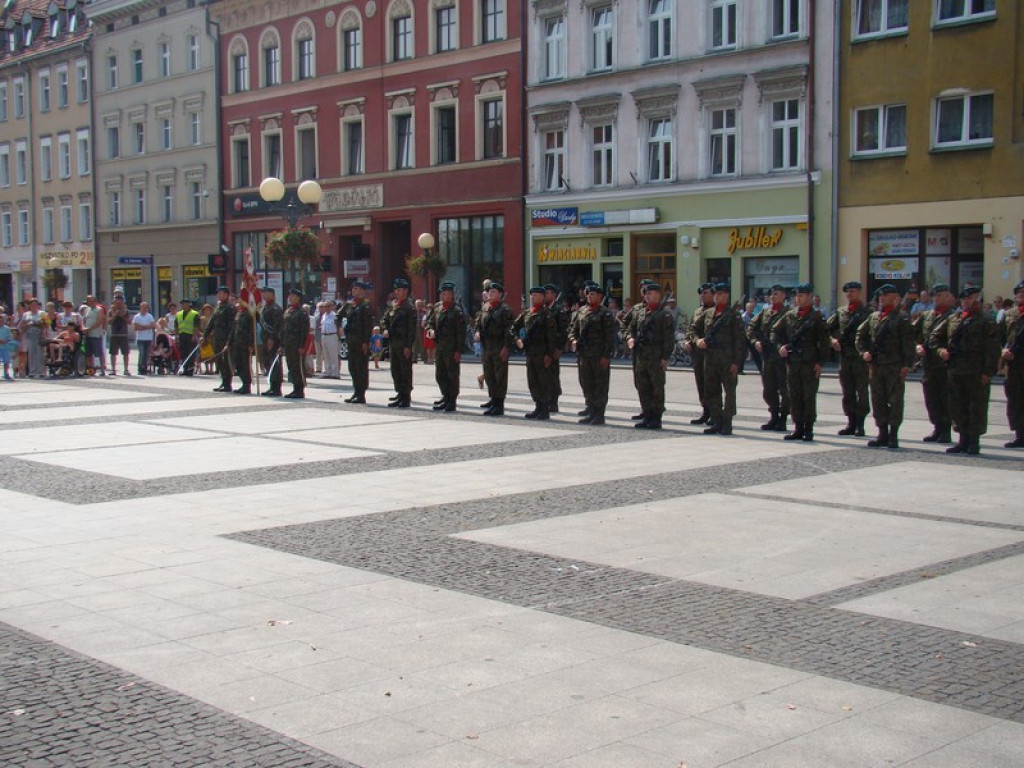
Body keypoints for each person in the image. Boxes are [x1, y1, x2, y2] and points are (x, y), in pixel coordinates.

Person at [930, 285, 1000, 455]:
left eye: (971, 298)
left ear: (978, 299)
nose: (967, 302)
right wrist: (941, 351)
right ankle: (962, 441)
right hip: (955, 370)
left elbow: (993, 349)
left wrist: (988, 372)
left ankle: (974, 442)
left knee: (976, 407)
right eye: (964, 299)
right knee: (957, 406)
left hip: (976, 371)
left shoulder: (987, 321)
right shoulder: (953, 318)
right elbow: (934, 338)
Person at [856, 284, 916, 449]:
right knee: (878, 400)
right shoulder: (874, 317)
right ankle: (882, 432)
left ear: (896, 298)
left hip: (894, 366)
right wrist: (864, 352)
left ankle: (893, 434)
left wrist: (907, 365)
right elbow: (860, 335)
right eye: (880, 296)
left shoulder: (902, 319)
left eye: (886, 295)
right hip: (876, 366)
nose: (882, 298)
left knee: (895, 401)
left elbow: (908, 344)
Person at [772, 283, 831, 442]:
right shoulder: (790, 315)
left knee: (808, 396)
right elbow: (775, 332)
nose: (798, 298)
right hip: (792, 362)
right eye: (796, 295)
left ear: (810, 297)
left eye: (801, 295)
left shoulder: (817, 317)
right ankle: (798, 428)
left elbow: (824, 342)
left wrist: (820, 362)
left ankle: (808, 429)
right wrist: (780, 346)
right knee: (794, 395)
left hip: (809, 363)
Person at [689, 282, 746, 435]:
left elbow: (740, 341)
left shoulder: (734, 315)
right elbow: (693, 329)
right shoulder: (708, 313)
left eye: (720, 294)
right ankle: (716, 420)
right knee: (711, 391)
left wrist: (737, 362)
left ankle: (727, 422)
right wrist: (697, 340)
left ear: (727, 295)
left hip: (727, 360)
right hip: (710, 359)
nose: (717, 297)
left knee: (729, 392)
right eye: (715, 294)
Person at [623, 282, 675, 430]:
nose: (646, 296)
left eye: (650, 293)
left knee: (656, 388)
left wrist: (665, 357)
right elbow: (630, 328)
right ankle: (646, 415)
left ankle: (656, 418)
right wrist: (629, 338)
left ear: (658, 295)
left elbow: (668, 338)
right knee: (643, 387)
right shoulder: (640, 312)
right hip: (641, 355)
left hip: (656, 357)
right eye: (645, 293)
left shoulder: (664, 314)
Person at [827, 281, 872, 436]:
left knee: (862, 391)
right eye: (847, 292)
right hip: (845, 357)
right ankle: (850, 422)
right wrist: (832, 341)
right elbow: (826, 329)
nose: (849, 294)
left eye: (853, 291)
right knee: (847, 391)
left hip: (861, 358)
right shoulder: (841, 312)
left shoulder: (868, 312)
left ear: (859, 292)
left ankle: (860, 424)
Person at [913, 283, 956, 443]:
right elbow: (913, 333)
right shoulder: (926, 316)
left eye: (941, 295)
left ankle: (946, 430)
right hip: (929, 364)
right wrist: (917, 346)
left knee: (946, 398)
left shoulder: (954, 317)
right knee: (931, 398)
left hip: (945, 365)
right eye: (935, 296)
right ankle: (937, 427)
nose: (937, 298)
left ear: (949, 297)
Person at [569, 283, 616, 425]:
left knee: (600, 385)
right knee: (586, 383)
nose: (589, 296)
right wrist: (573, 340)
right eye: (588, 294)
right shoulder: (582, 311)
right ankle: (591, 411)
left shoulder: (605, 313)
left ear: (600, 297)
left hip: (598, 355)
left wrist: (606, 355)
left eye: (593, 294)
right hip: (584, 354)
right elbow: (573, 329)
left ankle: (599, 414)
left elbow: (610, 336)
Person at [747, 284, 790, 431]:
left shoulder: (789, 313)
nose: (772, 296)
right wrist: (755, 341)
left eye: (776, 294)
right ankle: (774, 416)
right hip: (767, 356)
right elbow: (751, 328)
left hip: (783, 357)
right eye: (771, 294)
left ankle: (783, 419)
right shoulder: (765, 312)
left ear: (784, 296)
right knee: (769, 389)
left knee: (785, 390)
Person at [512, 287, 557, 420]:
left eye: (536, 295)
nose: (533, 298)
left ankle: (544, 409)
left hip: (542, 354)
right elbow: (513, 328)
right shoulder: (527, 313)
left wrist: (549, 354)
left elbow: (551, 336)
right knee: (532, 381)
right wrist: (517, 339)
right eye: (532, 295)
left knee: (543, 381)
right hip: (530, 353)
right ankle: (538, 406)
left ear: (543, 297)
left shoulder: (547, 314)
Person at [473, 281, 515, 416]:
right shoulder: (485, 308)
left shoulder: (505, 310)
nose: (490, 293)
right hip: (487, 347)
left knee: (500, 376)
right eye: (489, 292)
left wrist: (506, 348)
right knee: (489, 375)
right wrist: (477, 332)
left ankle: (499, 404)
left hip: (499, 347)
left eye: (493, 292)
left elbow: (509, 331)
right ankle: (493, 400)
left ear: (500, 294)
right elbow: (478, 323)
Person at [424, 281, 465, 412]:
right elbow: (429, 322)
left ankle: (451, 401)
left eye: (445, 293)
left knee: (452, 375)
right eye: (442, 293)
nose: (443, 295)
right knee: (440, 374)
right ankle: (446, 396)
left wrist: (458, 350)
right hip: (440, 346)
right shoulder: (437, 307)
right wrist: (430, 330)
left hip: (452, 348)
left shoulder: (457, 311)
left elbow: (461, 332)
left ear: (451, 295)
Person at [380, 277, 417, 408]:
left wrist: (408, 346)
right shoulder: (393, 305)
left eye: (400, 290)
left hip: (403, 343)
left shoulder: (409, 307)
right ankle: (400, 393)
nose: (397, 292)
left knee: (405, 370)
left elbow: (412, 329)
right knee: (395, 369)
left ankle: (406, 396)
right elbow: (384, 320)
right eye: (396, 290)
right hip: (393, 342)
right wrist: (385, 329)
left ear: (405, 291)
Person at [683, 283, 715, 424]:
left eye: (706, 293)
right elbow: (691, 329)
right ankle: (705, 411)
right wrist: (687, 341)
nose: (702, 296)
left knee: (712, 385)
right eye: (701, 293)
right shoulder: (697, 311)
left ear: (713, 294)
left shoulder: (718, 311)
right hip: (698, 354)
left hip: (712, 354)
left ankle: (715, 413)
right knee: (701, 384)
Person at [338, 280, 373, 403]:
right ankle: (356, 391)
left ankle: (361, 394)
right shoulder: (349, 305)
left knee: (361, 367)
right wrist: (339, 327)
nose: (353, 291)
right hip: (351, 340)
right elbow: (338, 315)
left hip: (360, 341)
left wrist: (366, 342)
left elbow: (368, 326)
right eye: (353, 289)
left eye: (356, 289)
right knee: (352, 367)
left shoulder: (365, 306)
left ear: (362, 291)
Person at [1000, 281, 1024, 448]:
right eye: (1019, 291)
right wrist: (1003, 350)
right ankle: (1019, 434)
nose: (1021, 294)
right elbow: (998, 336)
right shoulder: (1009, 314)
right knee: (1014, 399)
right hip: (1013, 364)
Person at [203, 286, 235, 392]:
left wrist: (228, 342)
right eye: (218, 293)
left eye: (221, 293)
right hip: (217, 338)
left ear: (226, 295)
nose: (219, 295)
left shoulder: (230, 308)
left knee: (225, 362)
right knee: (219, 362)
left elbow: (232, 327)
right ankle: (223, 382)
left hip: (225, 339)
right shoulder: (219, 307)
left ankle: (227, 384)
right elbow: (211, 322)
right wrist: (205, 335)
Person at [543, 283, 569, 413]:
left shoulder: (559, 310)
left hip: (553, 348)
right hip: (543, 348)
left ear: (554, 295)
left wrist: (559, 348)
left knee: (553, 375)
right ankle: (545, 400)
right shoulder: (542, 309)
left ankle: (553, 402)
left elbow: (564, 331)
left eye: (548, 293)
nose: (545, 295)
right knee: (544, 376)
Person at [281, 289, 309, 398]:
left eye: (293, 296)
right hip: (289, 344)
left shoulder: (301, 312)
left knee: (298, 366)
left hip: (297, 344)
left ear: (298, 298)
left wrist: (302, 345)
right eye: (290, 296)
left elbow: (304, 331)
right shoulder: (288, 311)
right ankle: (295, 388)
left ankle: (299, 390)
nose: (290, 298)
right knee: (291, 366)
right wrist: (282, 344)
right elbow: (283, 329)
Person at [259, 288, 284, 396]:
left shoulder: (275, 308)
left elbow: (277, 326)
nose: (265, 295)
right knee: (268, 363)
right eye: (264, 293)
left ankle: (276, 388)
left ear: (273, 295)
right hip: (265, 339)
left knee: (275, 364)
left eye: (267, 293)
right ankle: (272, 386)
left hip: (274, 340)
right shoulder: (265, 308)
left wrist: (272, 338)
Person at [229, 299, 255, 394]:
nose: (238, 305)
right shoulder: (239, 314)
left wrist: (251, 344)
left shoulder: (249, 315)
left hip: (245, 344)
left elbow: (252, 331)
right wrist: (229, 343)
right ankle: (244, 382)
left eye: (240, 303)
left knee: (245, 365)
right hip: (237, 344)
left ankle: (247, 385)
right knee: (237, 364)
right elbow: (233, 330)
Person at [105, 293, 131, 376]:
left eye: (120, 302)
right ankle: (113, 369)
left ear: (123, 302)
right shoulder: (111, 311)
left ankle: (126, 369)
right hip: (114, 334)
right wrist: (115, 315)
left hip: (124, 334)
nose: (118, 304)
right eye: (116, 302)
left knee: (125, 353)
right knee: (113, 353)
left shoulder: (127, 311)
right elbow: (109, 322)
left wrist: (122, 315)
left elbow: (129, 322)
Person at [82, 295, 106, 376]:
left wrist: (89, 328)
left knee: (99, 353)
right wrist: (84, 328)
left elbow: (99, 321)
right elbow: (84, 320)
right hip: (88, 335)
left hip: (96, 335)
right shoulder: (86, 310)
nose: (91, 302)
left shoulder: (99, 310)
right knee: (88, 354)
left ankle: (102, 369)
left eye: (92, 301)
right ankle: (90, 369)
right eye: (89, 301)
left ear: (95, 301)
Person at [175, 298, 200, 376]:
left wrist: (194, 336)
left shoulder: (194, 314)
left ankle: (190, 370)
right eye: (182, 304)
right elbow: (176, 326)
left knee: (190, 354)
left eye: (184, 304)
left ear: (188, 304)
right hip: (182, 335)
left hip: (190, 336)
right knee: (183, 353)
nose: (183, 305)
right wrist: (176, 336)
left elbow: (196, 326)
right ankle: (185, 369)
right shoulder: (178, 314)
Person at [133, 302, 156, 375]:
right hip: (140, 338)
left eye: (146, 307)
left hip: (148, 338)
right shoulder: (137, 317)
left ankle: (145, 368)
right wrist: (147, 326)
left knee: (147, 354)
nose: (145, 309)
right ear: (140, 308)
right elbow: (136, 327)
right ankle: (140, 368)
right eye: (143, 307)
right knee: (142, 353)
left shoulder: (150, 316)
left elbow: (153, 326)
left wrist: (142, 327)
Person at [320, 300, 340, 378]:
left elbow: (338, 326)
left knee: (333, 355)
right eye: (325, 306)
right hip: (324, 336)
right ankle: (327, 372)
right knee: (326, 355)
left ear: (331, 307)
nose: (326, 308)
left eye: (328, 306)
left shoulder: (334, 315)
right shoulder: (323, 316)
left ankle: (335, 373)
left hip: (332, 335)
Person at [0, 313, 12, 379]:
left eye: (1, 320)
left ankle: (6, 374)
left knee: (6, 361)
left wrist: (6, 341)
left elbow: (10, 337)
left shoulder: (7, 328)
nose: (0, 321)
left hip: (5, 347)